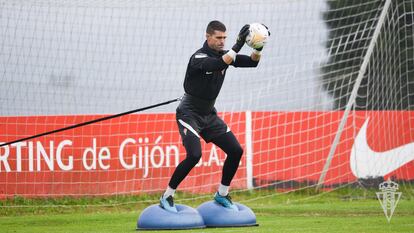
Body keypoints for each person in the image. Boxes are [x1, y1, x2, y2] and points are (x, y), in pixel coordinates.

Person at [160, 20, 267, 212]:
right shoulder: (198, 57)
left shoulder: (224, 55)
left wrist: (258, 47)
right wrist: (238, 44)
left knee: (235, 151)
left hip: (208, 114)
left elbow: (252, 62)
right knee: (194, 155)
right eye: (218, 38)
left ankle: (222, 194)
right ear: (207, 36)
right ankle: (167, 196)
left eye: (225, 38)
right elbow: (219, 64)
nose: (222, 41)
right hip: (189, 113)